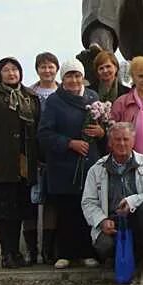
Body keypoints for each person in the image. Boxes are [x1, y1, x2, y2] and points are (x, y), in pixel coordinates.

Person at [38, 58, 105, 269]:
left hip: (89, 163)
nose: (74, 80)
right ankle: (65, 253)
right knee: (67, 210)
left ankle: (86, 252)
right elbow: (45, 133)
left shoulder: (93, 97)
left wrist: (101, 132)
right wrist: (69, 143)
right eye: (69, 76)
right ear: (63, 78)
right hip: (65, 164)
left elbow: (104, 127)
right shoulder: (55, 102)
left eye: (77, 75)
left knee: (88, 208)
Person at [0, 57, 41, 269]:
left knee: (22, 207)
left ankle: (21, 252)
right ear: (0, 74)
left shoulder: (31, 97)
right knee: (4, 210)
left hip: (25, 160)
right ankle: (7, 252)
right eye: (6, 70)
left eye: (15, 70)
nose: (11, 73)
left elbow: (38, 127)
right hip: (1, 160)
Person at [81, 122, 143, 273]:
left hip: (139, 219)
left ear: (133, 141)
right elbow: (88, 202)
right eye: (117, 140)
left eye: (126, 139)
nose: (122, 143)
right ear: (110, 143)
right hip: (112, 221)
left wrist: (132, 201)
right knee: (104, 246)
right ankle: (117, 257)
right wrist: (101, 221)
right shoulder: (96, 169)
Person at [28, 51, 61, 265]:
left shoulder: (63, 92)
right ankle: (32, 250)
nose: (47, 70)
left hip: (57, 153)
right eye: (43, 67)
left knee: (52, 202)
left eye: (50, 66)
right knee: (30, 200)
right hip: (33, 151)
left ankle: (49, 250)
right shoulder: (28, 93)